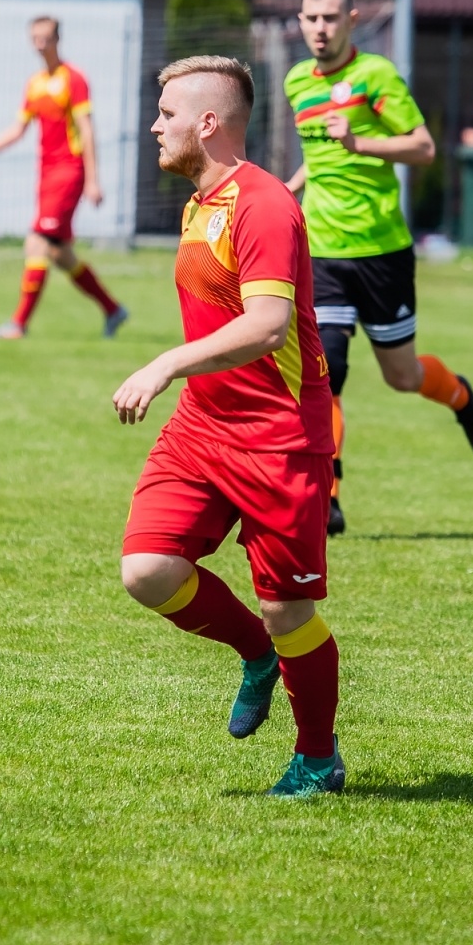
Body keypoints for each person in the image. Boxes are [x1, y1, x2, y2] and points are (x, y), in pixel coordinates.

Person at [113, 55, 343, 799]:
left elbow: (270, 326)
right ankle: (255, 654)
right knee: (147, 571)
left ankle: (317, 757)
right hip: (203, 429)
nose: (155, 125)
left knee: (289, 610)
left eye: (168, 113)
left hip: (278, 437)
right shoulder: (199, 202)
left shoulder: (265, 205)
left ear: (208, 123)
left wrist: (167, 362)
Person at [284, 0, 473, 536]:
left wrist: (361, 143)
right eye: (311, 18)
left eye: (330, 17)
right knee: (325, 375)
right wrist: (290, 188)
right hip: (323, 250)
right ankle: (327, 495)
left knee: (401, 376)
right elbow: (319, 157)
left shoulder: (375, 77)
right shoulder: (297, 82)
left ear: (352, 20)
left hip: (381, 253)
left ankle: (460, 396)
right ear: (300, 23)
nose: (320, 29)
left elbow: (422, 147)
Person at [0, 16, 129, 340]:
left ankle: (18, 324)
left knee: (37, 242)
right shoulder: (35, 83)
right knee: (61, 254)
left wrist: (93, 179)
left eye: (45, 38)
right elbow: (18, 130)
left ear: (57, 39)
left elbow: (86, 129)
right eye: (35, 38)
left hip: (70, 172)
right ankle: (113, 310)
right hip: (46, 174)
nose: (40, 44)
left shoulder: (74, 79)